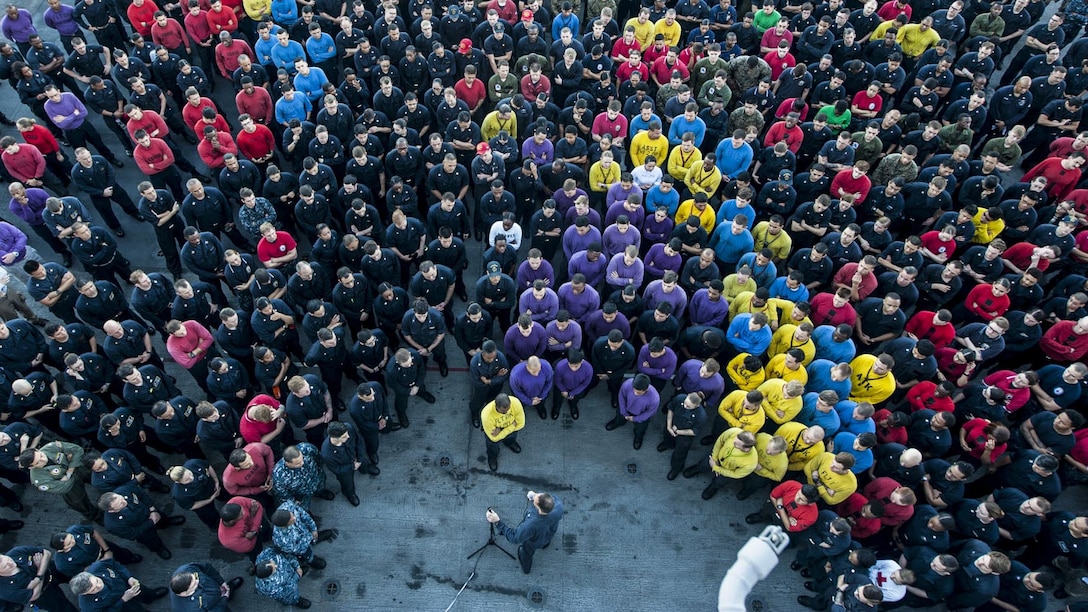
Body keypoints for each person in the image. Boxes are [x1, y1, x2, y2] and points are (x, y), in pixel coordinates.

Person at [486, 490, 565, 574]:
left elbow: (514, 537)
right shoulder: (558, 505)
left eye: (535, 499)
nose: (535, 495)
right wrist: (536, 495)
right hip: (548, 534)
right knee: (546, 539)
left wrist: (497, 522)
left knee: (526, 553)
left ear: (537, 507)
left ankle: (526, 568)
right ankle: (545, 545)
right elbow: (545, 498)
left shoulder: (531, 524)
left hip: (534, 542)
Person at [481, 393, 525, 472]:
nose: (507, 412)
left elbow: (521, 424)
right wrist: (512, 426)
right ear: (497, 407)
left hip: (508, 429)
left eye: (509, 409)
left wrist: (500, 429)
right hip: (511, 426)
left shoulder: (515, 402)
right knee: (492, 446)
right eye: (504, 412)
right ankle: (492, 457)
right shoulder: (486, 415)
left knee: (511, 437)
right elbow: (494, 438)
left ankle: (509, 443)